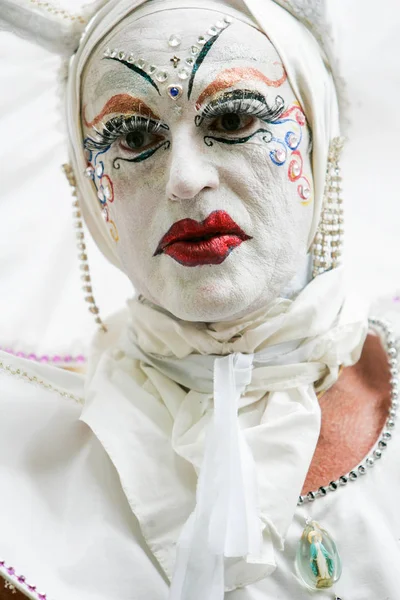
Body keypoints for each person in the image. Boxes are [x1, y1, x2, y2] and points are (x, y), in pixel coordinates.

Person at [0, 1, 399, 599]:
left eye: (233, 119)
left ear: (319, 138)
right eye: (132, 135)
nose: (184, 178)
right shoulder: (22, 492)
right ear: (86, 184)